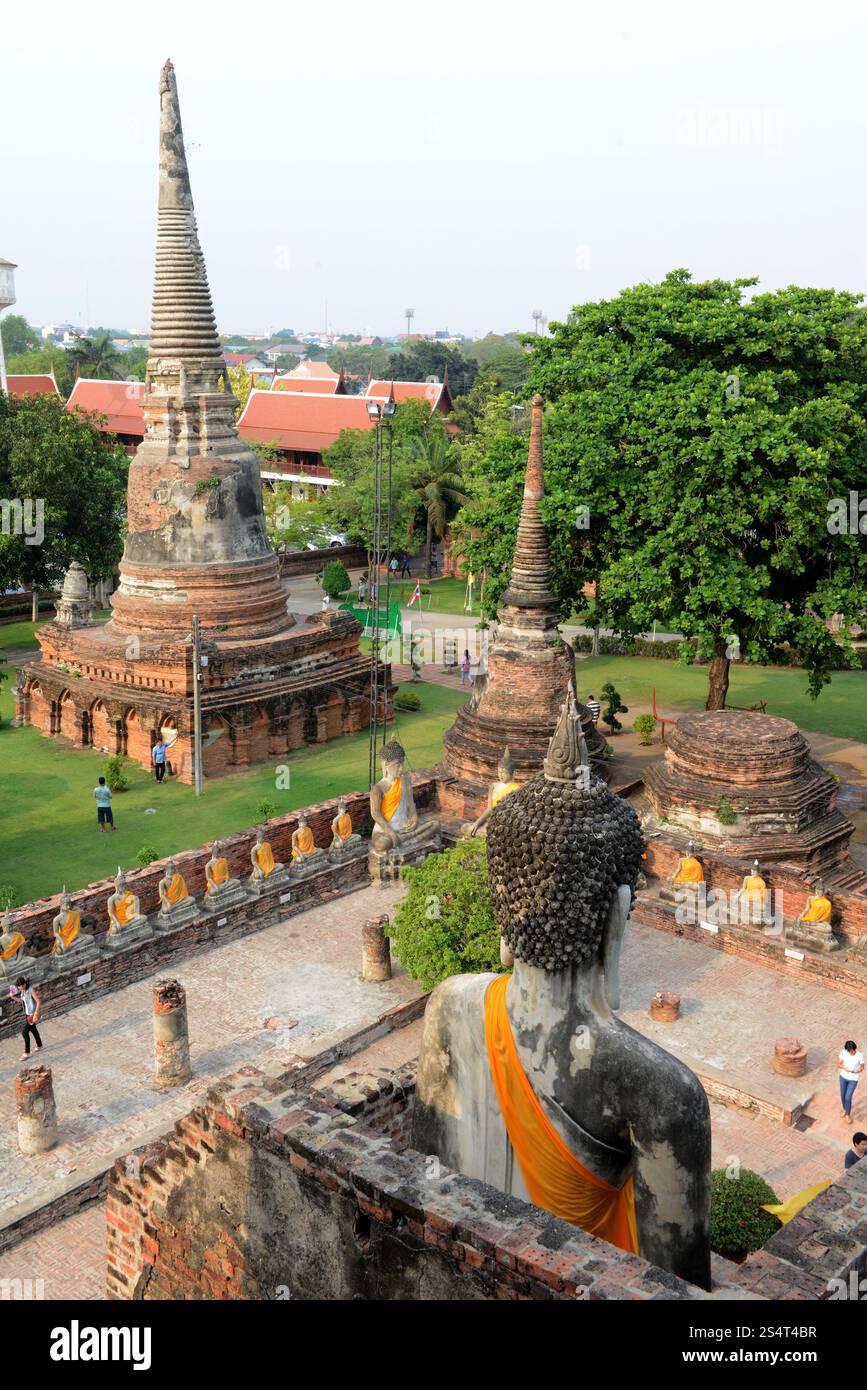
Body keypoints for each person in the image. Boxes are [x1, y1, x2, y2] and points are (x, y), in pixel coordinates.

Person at [15, 976, 43, 1061]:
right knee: (33, 1029)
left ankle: (27, 1053)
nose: (19, 987)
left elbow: (38, 1001)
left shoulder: (30, 990)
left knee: (24, 1032)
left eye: (21, 986)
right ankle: (39, 1045)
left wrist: (36, 1013)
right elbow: (21, 1001)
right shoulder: (22, 991)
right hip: (27, 1014)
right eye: (18, 986)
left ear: (24, 984)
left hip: (32, 1014)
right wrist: (12, 997)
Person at [839, 1040, 864, 1121]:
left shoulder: (860, 1055)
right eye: (849, 1051)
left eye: (852, 1051)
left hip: (853, 1079)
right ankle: (844, 1108)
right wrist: (844, 1068)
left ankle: (847, 1114)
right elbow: (838, 1064)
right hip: (843, 1077)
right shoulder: (844, 1052)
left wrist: (856, 1071)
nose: (851, 1052)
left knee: (848, 1097)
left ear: (855, 1048)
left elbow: (862, 1067)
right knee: (843, 1095)